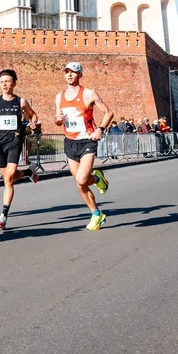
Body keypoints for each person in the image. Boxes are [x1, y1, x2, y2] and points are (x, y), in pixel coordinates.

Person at [55, 62, 113, 231]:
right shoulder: (59, 97)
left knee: (81, 179)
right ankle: (96, 213)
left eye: (73, 72)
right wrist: (58, 120)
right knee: (81, 183)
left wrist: (100, 129)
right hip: (69, 142)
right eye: (67, 72)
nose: (69, 75)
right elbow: (57, 120)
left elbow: (109, 112)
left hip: (87, 140)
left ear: (79, 75)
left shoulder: (88, 94)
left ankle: (96, 179)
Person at [0, 70, 41, 230]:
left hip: (15, 141)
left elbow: (33, 115)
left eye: (8, 81)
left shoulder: (20, 102)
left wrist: (33, 123)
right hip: (0, 142)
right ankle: (29, 173)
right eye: (2, 82)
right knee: (9, 178)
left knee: (8, 179)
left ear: (14, 83)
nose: (5, 84)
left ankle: (3, 216)